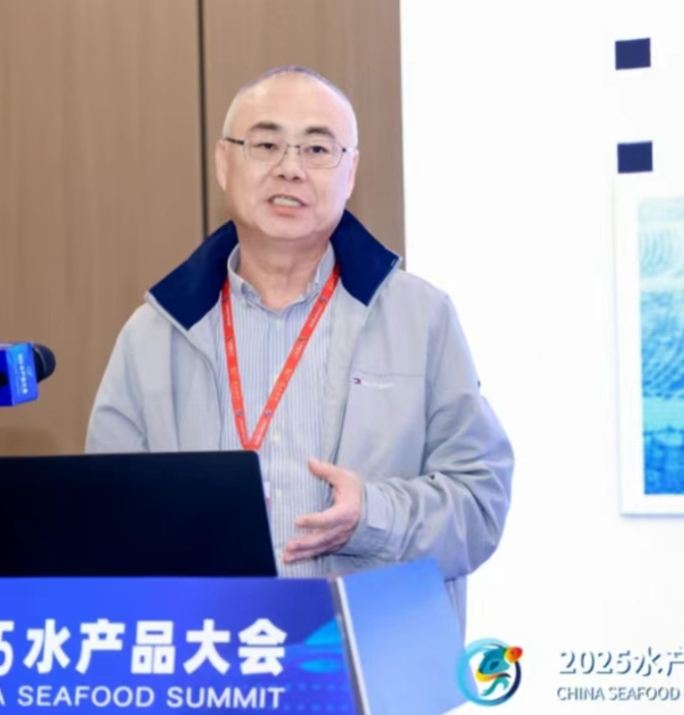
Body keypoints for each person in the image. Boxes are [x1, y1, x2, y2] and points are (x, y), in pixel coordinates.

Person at [85, 66, 514, 633]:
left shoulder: (422, 318)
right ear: (224, 163)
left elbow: (481, 505)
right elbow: (103, 522)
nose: (290, 167)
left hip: (370, 657)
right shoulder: (153, 334)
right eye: (266, 144)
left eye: (317, 148)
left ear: (350, 172)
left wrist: (373, 517)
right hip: (207, 655)